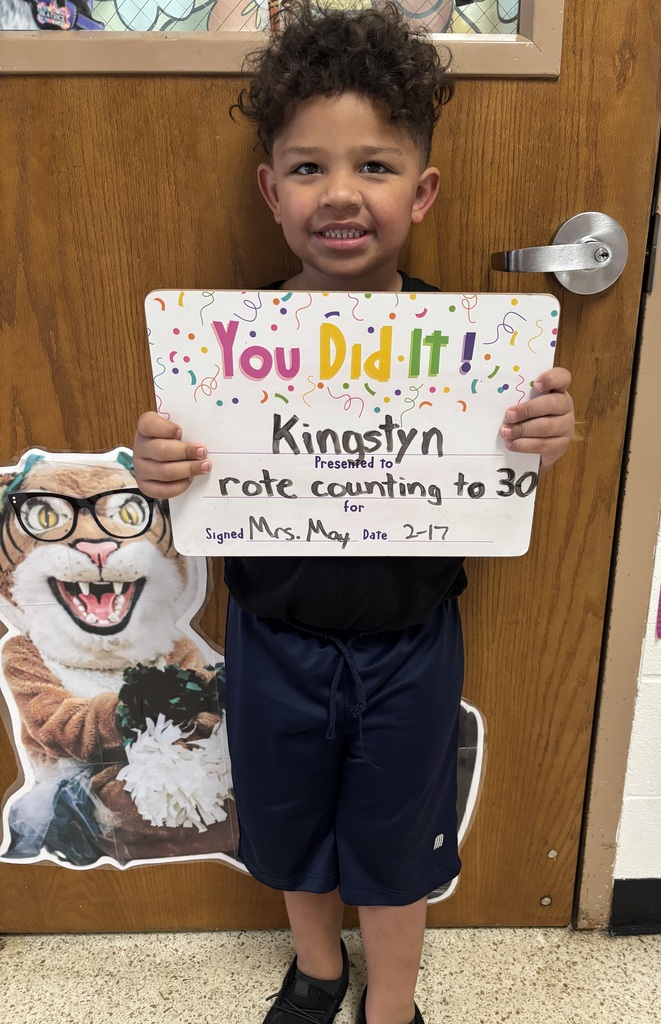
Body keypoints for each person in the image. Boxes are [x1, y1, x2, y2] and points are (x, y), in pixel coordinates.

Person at [133, 5, 575, 1023]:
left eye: (374, 166)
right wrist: (160, 463)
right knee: (287, 824)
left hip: (409, 645)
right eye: (307, 168)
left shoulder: (476, 350)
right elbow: (192, 479)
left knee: (395, 837)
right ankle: (319, 971)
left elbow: (495, 468)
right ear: (270, 191)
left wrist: (540, 433)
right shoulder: (220, 350)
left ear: (421, 193)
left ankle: (394, 1004)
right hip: (271, 637)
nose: (340, 194)